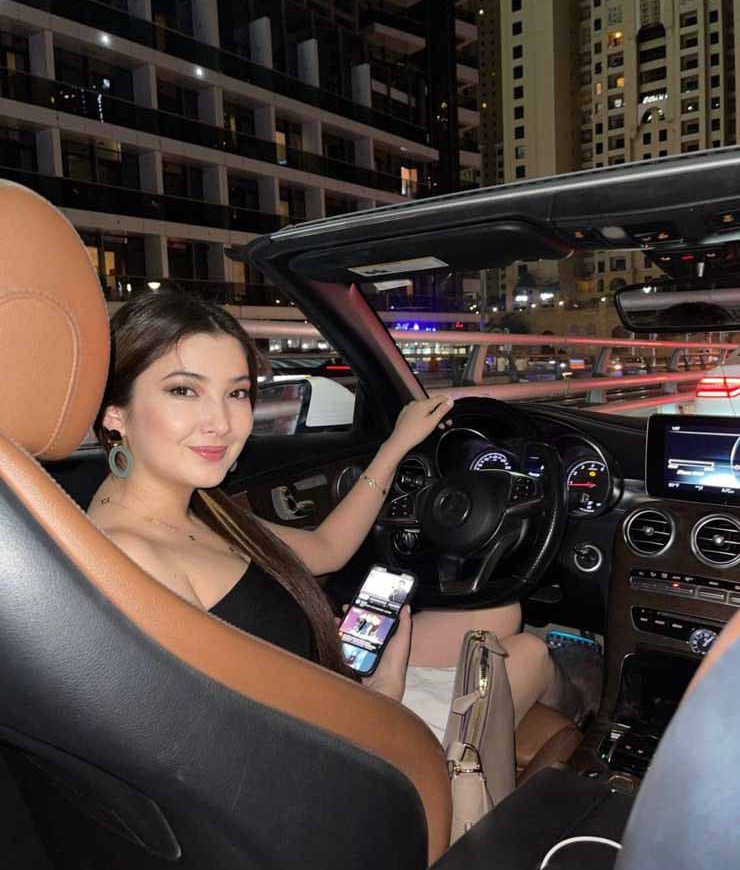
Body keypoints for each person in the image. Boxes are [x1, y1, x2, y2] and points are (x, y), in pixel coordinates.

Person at [87, 288, 581, 737]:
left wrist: (395, 446)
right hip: (346, 743)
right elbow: (224, 740)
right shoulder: (131, 556)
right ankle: (580, 731)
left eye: (236, 393)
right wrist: (380, 699)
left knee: (498, 610)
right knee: (531, 653)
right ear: (115, 412)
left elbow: (325, 550)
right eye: (183, 390)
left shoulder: (196, 504)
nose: (220, 422)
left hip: (329, 681)